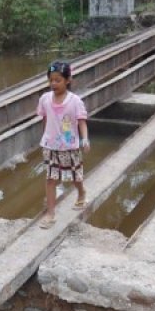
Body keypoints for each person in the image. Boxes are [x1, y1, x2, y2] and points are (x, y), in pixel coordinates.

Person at [36, 60, 90, 229]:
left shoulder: (75, 101)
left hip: (70, 146)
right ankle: (51, 213)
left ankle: (81, 193)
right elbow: (45, 119)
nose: (53, 83)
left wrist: (85, 139)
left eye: (58, 80)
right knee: (51, 178)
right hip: (51, 146)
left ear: (68, 80)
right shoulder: (45, 99)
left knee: (75, 176)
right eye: (51, 80)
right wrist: (44, 138)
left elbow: (81, 122)